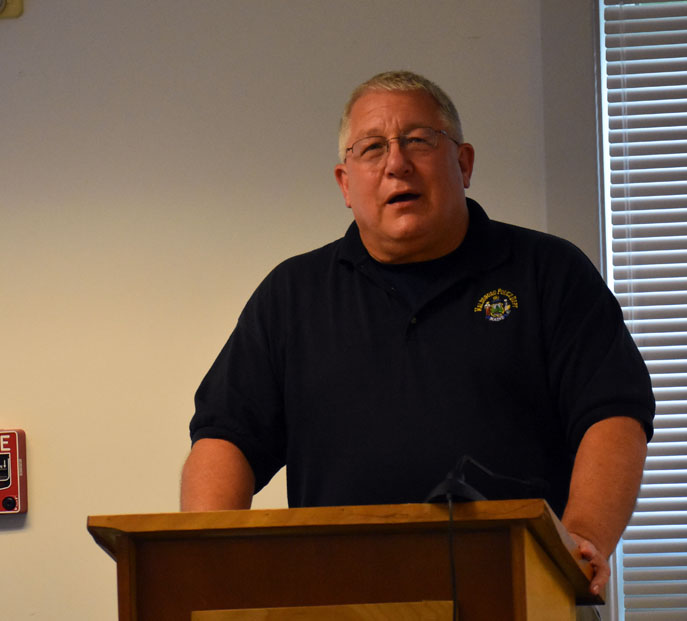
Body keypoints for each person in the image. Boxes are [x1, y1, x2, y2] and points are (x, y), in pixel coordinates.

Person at [180, 70, 655, 596]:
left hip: (517, 588)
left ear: (464, 163)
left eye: (418, 141)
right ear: (345, 183)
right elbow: (226, 436)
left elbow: (613, 415)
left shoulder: (550, 272)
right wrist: (208, 559)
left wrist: (582, 539)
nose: (396, 164)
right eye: (372, 148)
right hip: (337, 598)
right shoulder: (292, 295)